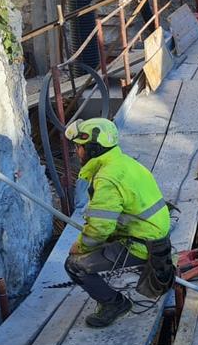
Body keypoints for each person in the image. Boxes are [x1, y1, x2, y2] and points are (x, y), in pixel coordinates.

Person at [63, 117, 175, 327]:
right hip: (155, 235)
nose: (77, 152)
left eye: (79, 147)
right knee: (102, 243)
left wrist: (80, 246)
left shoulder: (107, 178)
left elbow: (99, 229)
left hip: (142, 244)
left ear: (93, 149)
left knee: (74, 265)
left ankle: (115, 304)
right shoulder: (125, 163)